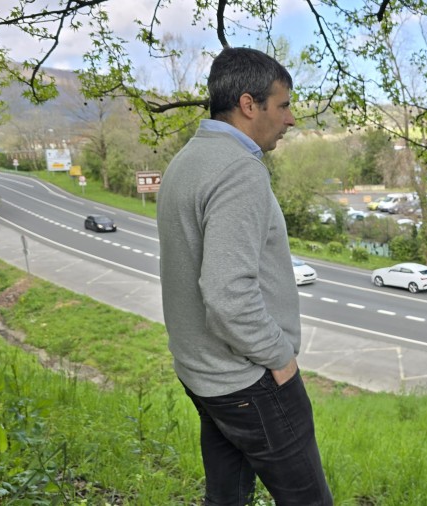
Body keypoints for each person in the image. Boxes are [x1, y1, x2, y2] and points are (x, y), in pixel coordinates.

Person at [157, 47, 332, 505]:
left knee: (228, 497)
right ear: (249, 105)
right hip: (248, 380)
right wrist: (280, 360)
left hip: (202, 374)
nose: (291, 119)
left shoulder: (186, 161)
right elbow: (227, 293)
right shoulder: (239, 171)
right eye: (284, 104)